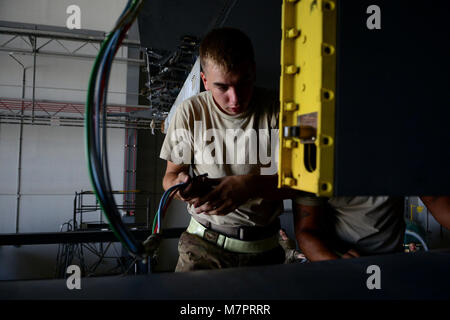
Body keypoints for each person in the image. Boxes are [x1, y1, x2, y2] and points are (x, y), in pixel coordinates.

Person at [160, 27, 297, 272]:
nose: (235, 99)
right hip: (202, 248)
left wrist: (250, 185)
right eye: (222, 87)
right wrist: (180, 186)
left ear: (253, 71)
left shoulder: (281, 110)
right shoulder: (190, 112)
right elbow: (169, 177)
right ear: (204, 81)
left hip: (264, 252)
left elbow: (304, 184)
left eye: (243, 83)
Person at [293, 195, 450, 261]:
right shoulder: (318, 155)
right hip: (340, 262)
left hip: (391, 263)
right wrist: (336, 265)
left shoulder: (400, 145)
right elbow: (306, 232)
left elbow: (436, 201)